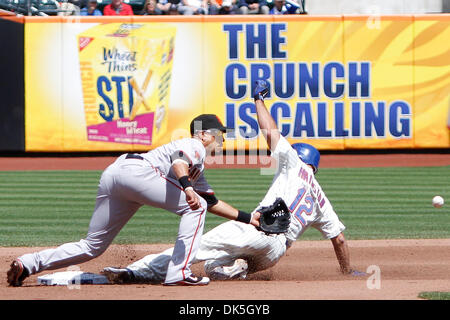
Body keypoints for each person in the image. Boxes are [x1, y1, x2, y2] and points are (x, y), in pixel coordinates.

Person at [101, 81, 366, 284]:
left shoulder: (292, 162)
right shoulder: (320, 198)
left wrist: (258, 100)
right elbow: (339, 239)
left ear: (298, 156)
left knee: (195, 248)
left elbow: (271, 133)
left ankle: (133, 272)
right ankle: (237, 268)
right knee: (214, 268)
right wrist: (347, 270)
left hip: (258, 230)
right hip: (274, 254)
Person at [6, 114, 261, 287]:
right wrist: (186, 188)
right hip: (140, 173)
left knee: (92, 246)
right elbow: (179, 161)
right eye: (219, 134)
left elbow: (211, 201)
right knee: (195, 206)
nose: (222, 140)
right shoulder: (193, 145)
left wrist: (251, 219)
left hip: (115, 175)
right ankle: (179, 273)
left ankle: (28, 263)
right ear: (204, 134)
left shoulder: (198, 167)